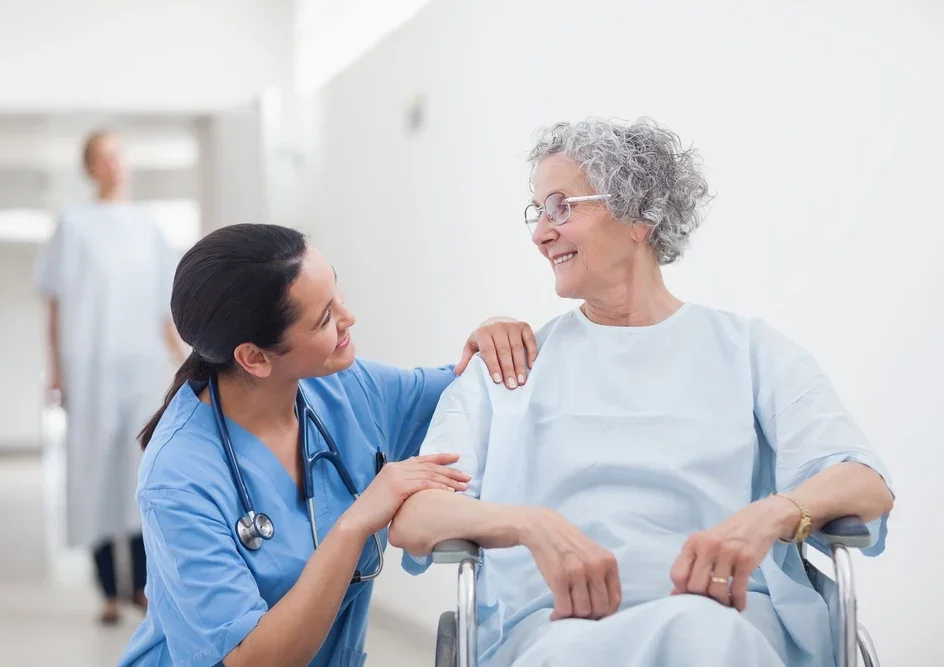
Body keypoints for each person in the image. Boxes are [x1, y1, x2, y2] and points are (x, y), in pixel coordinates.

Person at [388, 118, 896, 667]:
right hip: (556, 629)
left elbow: (864, 483)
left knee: (705, 639)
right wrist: (529, 524)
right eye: (538, 213)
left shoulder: (750, 351)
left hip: (727, 618)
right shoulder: (507, 367)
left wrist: (770, 516)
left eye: (562, 207)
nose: (540, 234)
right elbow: (416, 516)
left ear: (639, 215)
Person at [117, 223, 536, 667]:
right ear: (255, 357)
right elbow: (251, 659)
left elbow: (467, 393)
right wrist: (355, 524)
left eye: (336, 293)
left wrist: (493, 336)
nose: (348, 317)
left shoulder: (344, 390)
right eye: (324, 318)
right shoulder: (178, 478)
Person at [35, 129, 187, 625]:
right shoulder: (74, 226)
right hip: (90, 366)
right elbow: (54, 302)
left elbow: (166, 306)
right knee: (96, 474)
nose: (113, 164)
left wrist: (185, 364)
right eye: (102, 157)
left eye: (118, 154)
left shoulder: (150, 226)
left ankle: (141, 587)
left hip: (141, 366)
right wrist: (56, 370)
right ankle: (105, 589)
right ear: (89, 168)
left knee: (141, 472)